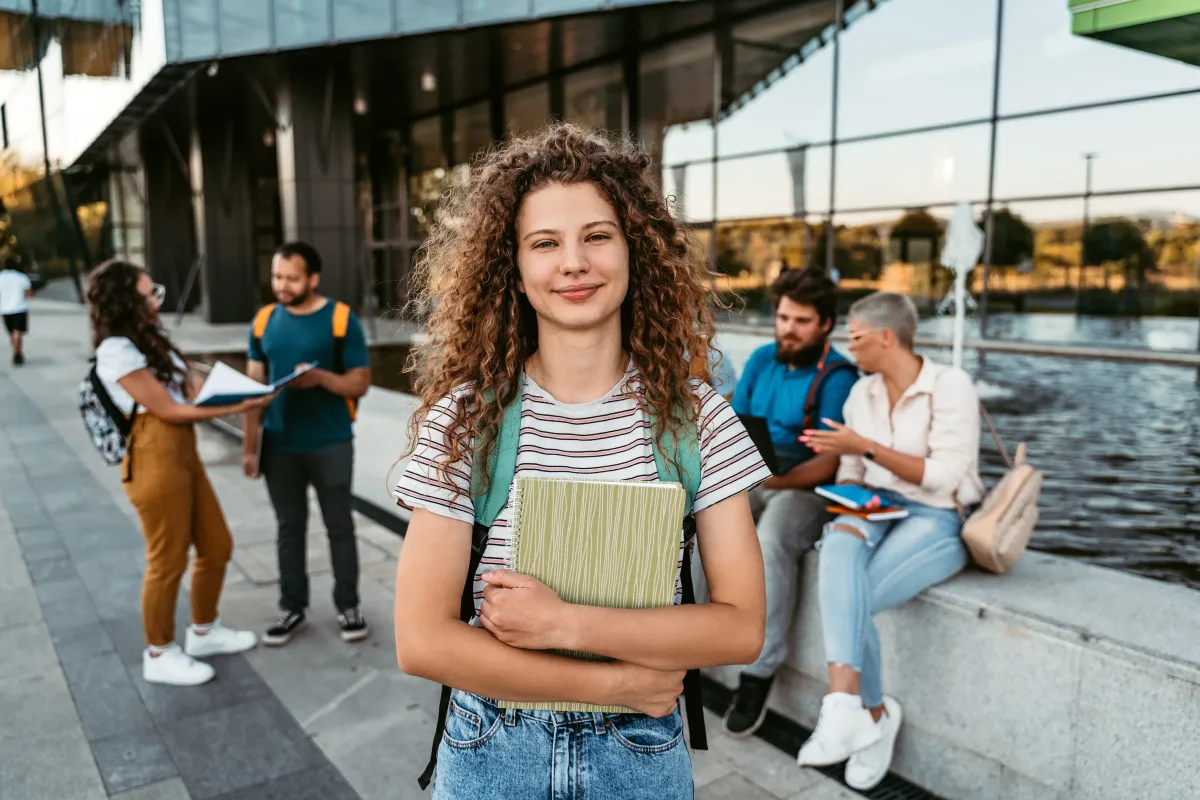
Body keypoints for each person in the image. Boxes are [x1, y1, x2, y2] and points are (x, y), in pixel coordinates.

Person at [391, 123, 771, 799]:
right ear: (513, 263)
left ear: (636, 251)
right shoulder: (467, 421)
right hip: (491, 751)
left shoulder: (698, 419)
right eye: (546, 243)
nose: (573, 262)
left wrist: (565, 623)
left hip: (639, 755)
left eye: (597, 235)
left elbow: (742, 627)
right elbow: (421, 641)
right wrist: (612, 681)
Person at [796, 292, 983, 790]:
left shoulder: (951, 385)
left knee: (855, 599)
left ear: (886, 337)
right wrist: (851, 492)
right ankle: (844, 708)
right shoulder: (863, 393)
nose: (848, 347)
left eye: (855, 337)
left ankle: (873, 715)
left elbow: (944, 478)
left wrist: (867, 447)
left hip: (939, 517)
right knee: (837, 541)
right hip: (877, 508)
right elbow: (853, 473)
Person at [87, 260, 265, 685]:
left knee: (216, 544)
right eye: (149, 294)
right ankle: (159, 651)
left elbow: (190, 393)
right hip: (153, 457)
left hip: (182, 454)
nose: (155, 300)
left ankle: (203, 631)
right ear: (126, 300)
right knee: (166, 560)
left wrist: (236, 390)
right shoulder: (117, 350)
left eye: (156, 291)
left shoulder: (152, 338)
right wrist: (241, 407)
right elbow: (168, 409)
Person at [722, 267, 858, 738]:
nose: (788, 329)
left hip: (806, 484)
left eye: (800, 321)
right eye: (783, 318)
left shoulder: (839, 378)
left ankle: (757, 674)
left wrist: (773, 484)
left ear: (825, 324)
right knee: (701, 523)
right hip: (756, 468)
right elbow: (735, 425)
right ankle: (684, 651)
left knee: (773, 537)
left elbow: (828, 464)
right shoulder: (762, 359)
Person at [245, 241, 372, 646]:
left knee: (339, 527)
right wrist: (250, 446)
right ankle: (292, 608)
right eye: (277, 276)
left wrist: (320, 379)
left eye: (291, 278)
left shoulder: (340, 319)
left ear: (312, 279)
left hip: (331, 442)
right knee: (288, 529)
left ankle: (348, 606)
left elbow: (360, 382)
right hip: (280, 446)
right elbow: (251, 390)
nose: (281, 285)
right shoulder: (264, 321)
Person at [0, 256, 33, 365]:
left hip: (5, 309)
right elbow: (29, 293)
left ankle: (16, 352)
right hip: (20, 307)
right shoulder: (21, 277)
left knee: (11, 333)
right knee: (18, 331)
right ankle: (17, 353)